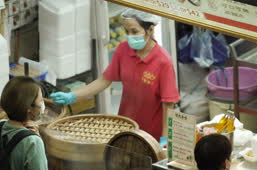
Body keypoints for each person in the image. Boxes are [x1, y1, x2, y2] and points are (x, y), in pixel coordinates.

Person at [50, 9, 180, 141]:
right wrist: (73, 96)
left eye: (134, 31)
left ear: (150, 30)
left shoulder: (163, 61)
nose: (130, 36)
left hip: (151, 134)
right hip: (125, 126)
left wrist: (165, 139)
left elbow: (168, 105)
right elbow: (104, 80)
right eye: (127, 32)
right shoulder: (123, 50)